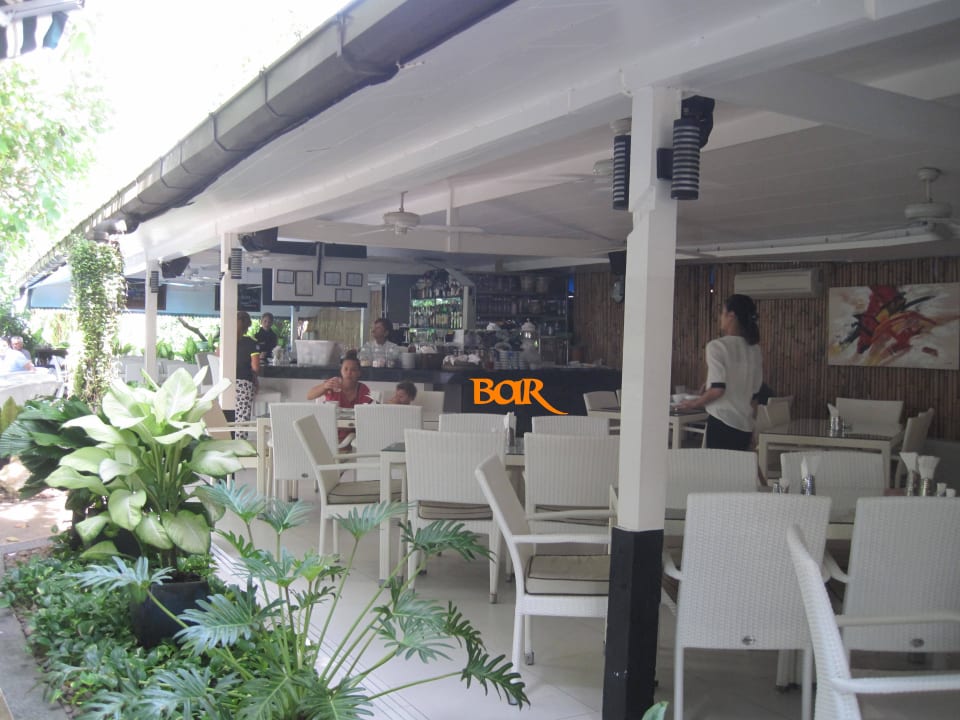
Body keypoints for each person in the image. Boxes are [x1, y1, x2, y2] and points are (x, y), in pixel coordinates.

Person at [679, 294, 762, 451]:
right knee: (738, 467)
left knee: (717, 467)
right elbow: (754, 396)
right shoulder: (754, 350)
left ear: (731, 316)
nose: (720, 317)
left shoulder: (716, 346)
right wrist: (753, 426)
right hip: (745, 425)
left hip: (722, 422)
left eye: (723, 313)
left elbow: (718, 389)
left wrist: (693, 403)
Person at [307, 353, 374, 443]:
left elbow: (368, 414)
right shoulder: (333, 384)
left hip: (357, 435)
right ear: (341, 371)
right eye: (345, 369)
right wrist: (324, 386)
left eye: (353, 370)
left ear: (359, 373)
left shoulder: (363, 389)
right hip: (332, 432)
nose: (349, 372)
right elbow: (309, 396)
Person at [235, 312, 260, 433]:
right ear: (248, 326)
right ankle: (240, 439)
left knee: (226, 418)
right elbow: (255, 367)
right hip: (243, 385)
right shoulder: (251, 342)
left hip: (224, 385)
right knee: (241, 420)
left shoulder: (224, 341)